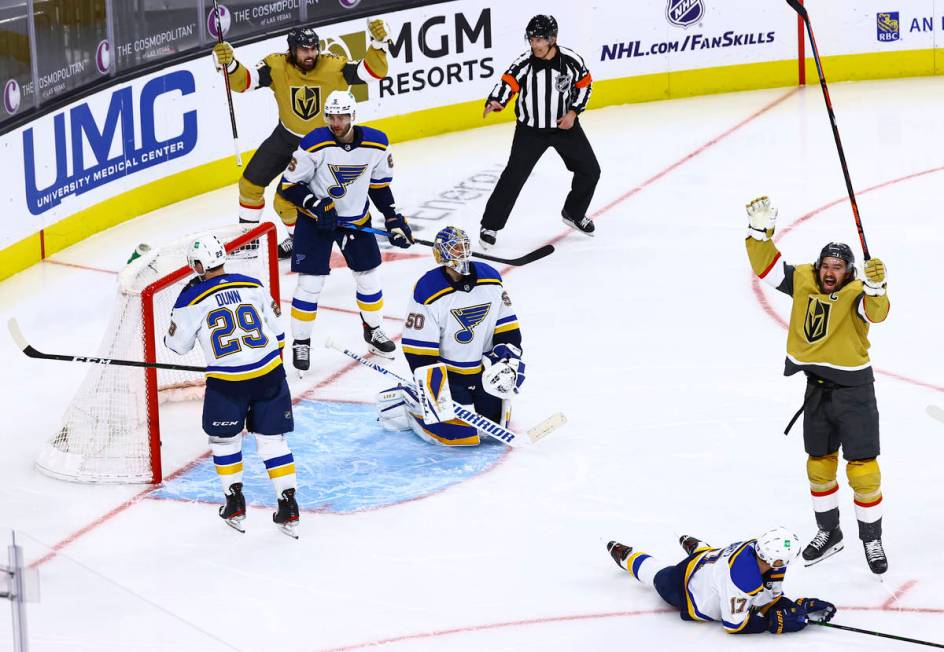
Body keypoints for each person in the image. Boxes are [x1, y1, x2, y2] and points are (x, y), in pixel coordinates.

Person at [745, 196, 890, 573]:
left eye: (837, 267)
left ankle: (871, 539)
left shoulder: (858, 293)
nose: (829, 272)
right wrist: (759, 234)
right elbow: (768, 270)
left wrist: (878, 287)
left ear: (849, 271)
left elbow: (877, 312)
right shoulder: (805, 281)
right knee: (819, 468)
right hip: (817, 389)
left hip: (855, 393)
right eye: (825, 265)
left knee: (863, 470)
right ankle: (830, 533)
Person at [211, 21, 391, 258]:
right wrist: (229, 64)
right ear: (292, 50)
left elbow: (372, 72)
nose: (310, 54)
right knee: (249, 186)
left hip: (319, 146)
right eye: (304, 49)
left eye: (314, 48)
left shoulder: (332, 66)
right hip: (285, 137)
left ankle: (300, 240)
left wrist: (379, 44)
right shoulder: (276, 64)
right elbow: (244, 82)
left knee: (284, 202)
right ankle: (247, 243)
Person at [163, 234, 299, 538]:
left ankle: (234, 503)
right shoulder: (253, 284)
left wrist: (182, 307)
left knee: (225, 442)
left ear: (198, 265)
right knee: (273, 442)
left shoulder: (190, 298)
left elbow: (176, 346)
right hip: (270, 375)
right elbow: (278, 334)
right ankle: (289, 506)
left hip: (227, 383)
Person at [277, 90, 413, 372]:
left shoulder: (377, 143)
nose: (336, 122)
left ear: (353, 116)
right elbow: (287, 186)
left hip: (355, 219)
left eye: (342, 116)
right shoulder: (314, 143)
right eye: (331, 116)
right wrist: (315, 204)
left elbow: (378, 186)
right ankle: (301, 342)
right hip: (315, 222)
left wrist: (393, 218)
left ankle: (373, 330)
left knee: (369, 279)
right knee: (310, 284)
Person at [377, 226, 525, 445]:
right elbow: (418, 350)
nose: (460, 252)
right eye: (454, 247)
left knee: (495, 424)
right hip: (448, 374)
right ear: (441, 253)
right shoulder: (428, 289)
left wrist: (506, 360)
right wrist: (433, 387)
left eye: (463, 246)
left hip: (482, 371)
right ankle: (410, 400)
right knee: (458, 437)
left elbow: (508, 329)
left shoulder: (491, 280)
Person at [478, 14, 600, 249]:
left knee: (590, 170)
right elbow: (508, 82)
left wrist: (573, 113)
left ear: (553, 39)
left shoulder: (571, 60)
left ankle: (574, 213)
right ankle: (490, 225)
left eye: (540, 40)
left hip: (564, 127)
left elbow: (585, 85)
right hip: (530, 131)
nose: (535, 45)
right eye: (532, 40)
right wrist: (496, 100)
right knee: (513, 177)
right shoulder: (524, 62)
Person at [607, 528, 837, 634]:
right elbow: (734, 624)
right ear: (775, 561)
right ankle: (626, 555)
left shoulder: (758, 547)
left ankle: (696, 548)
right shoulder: (742, 580)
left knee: (710, 558)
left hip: (710, 562)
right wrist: (774, 624)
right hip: (685, 587)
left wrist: (795, 606)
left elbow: (767, 595)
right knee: (656, 573)